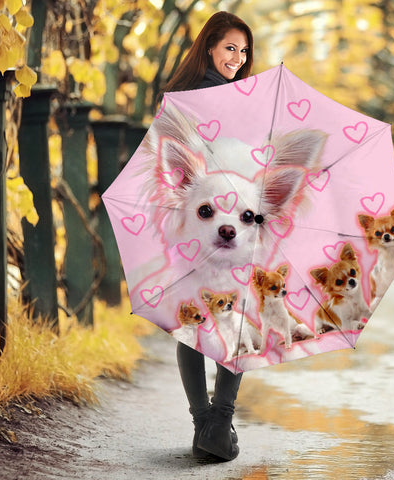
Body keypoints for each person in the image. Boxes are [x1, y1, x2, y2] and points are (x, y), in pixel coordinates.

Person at [162, 11, 254, 462]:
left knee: (191, 322)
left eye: (243, 50)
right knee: (234, 319)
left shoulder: (180, 97)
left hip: (193, 223)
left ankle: (205, 424)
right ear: (210, 48)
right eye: (229, 48)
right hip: (229, 222)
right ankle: (219, 421)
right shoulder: (222, 99)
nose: (237, 57)